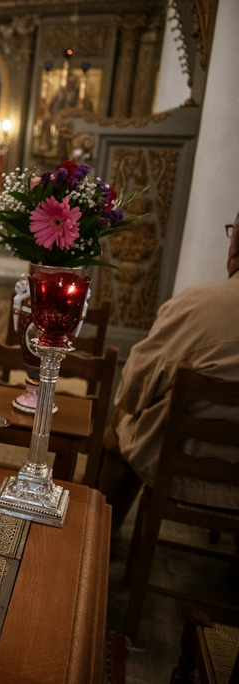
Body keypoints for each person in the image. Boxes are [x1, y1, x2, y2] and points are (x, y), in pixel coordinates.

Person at [99, 209, 239, 530]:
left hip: (183, 470)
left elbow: (134, 389)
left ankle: (99, 534)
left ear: (235, 244)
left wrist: (129, 407)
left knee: (123, 420)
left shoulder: (197, 306)